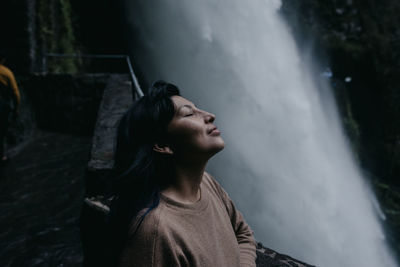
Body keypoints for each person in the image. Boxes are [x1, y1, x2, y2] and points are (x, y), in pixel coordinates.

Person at [107, 81, 257, 267]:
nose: (210, 115)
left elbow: (243, 234)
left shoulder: (206, 183)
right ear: (163, 145)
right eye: (189, 113)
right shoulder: (155, 233)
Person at [0, 52, 20, 163]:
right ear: (3, 60)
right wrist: (16, 109)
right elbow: (16, 93)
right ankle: (1, 156)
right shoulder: (7, 72)